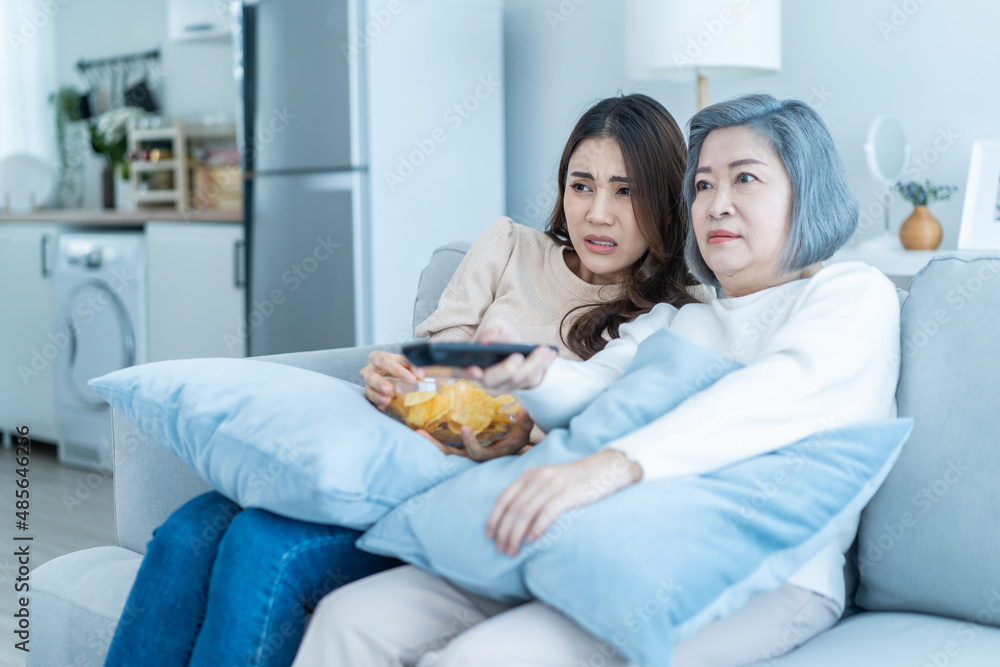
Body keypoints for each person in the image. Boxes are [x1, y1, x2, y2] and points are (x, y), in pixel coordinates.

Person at [291, 93, 902, 667]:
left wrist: (610, 465)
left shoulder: (850, 293)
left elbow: (775, 395)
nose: (717, 203)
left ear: (807, 192)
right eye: (704, 184)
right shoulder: (682, 321)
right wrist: (530, 373)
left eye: (745, 178)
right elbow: (594, 389)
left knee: (482, 659)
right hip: (611, 543)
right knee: (353, 617)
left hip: (769, 575)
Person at [103, 94, 705, 667]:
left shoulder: (663, 321)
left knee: (261, 546)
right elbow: (434, 360)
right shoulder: (509, 247)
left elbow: (558, 442)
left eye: (626, 192)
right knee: (187, 531)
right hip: (382, 456)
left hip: (455, 509)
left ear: (665, 200)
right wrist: (398, 380)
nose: (597, 212)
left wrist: (459, 412)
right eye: (582, 186)